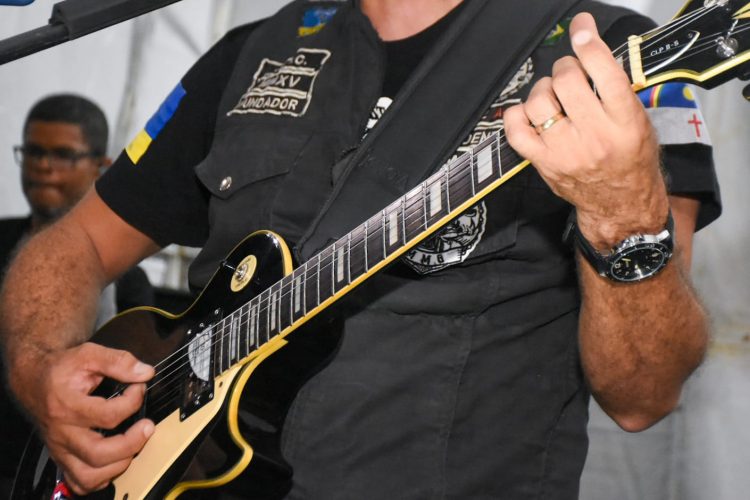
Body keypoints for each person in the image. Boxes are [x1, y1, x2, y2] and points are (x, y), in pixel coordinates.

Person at [0, 0, 722, 498]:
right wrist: (37, 367)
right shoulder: (251, 51)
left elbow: (645, 394)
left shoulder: (605, 58)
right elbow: (74, 243)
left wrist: (623, 213)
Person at [0, 94, 154, 494]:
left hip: (54, 475)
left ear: (103, 167)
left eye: (63, 155)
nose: (44, 166)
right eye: (34, 152)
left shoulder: (129, 281)